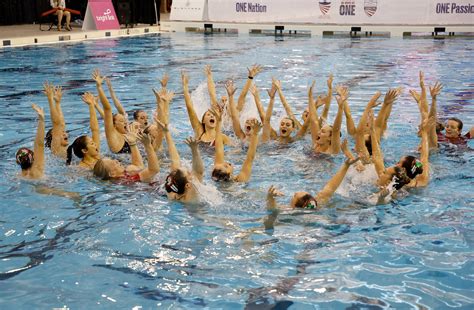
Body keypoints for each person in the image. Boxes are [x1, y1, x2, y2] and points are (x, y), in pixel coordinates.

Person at [266, 140, 359, 209]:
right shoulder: (317, 204)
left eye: (295, 196)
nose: (294, 193)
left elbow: (273, 209)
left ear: (295, 205)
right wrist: (346, 165)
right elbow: (330, 187)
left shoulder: (290, 211)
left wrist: (270, 197)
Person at [155, 89, 205, 203]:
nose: (189, 170)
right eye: (188, 172)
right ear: (188, 185)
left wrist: (167, 133)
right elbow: (199, 172)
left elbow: (175, 159)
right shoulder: (191, 196)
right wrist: (194, 150)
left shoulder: (172, 189)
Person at [211, 104, 262, 182]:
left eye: (224, 164)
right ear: (230, 175)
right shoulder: (240, 180)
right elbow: (250, 158)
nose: (228, 163)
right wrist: (255, 134)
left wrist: (219, 122)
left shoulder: (218, 171)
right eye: (227, 166)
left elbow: (219, 149)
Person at [181, 69, 231, 146]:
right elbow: (190, 109)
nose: (211, 115)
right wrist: (185, 86)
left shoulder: (223, 137)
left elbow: (235, 151)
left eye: (213, 115)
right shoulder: (199, 133)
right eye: (208, 115)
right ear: (203, 121)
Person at [93, 132, 159, 183]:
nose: (116, 160)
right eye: (114, 163)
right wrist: (148, 145)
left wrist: (132, 143)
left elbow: (138, 165)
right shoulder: (129, 180)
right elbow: (154, 170)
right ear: (112, 174)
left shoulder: (124, 174)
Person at [258, 79, 309, 144]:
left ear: (293, 129)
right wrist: (271, 99)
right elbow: (266, 120)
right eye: (282, 124)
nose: (284, 126)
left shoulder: (294, 140)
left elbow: (305, 126)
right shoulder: (274, 137)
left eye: (287, 125)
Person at [93, 69, 131, 154]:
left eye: (124, 120)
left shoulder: (126, 132)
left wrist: (111, 90)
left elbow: (121, 111)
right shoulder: (113, 136)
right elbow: (107, 110)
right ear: (114, 125)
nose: (125, 122)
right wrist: (99, 87)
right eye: (121, 121)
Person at [307, 81, 345, 155]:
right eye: (321, 131)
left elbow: (336, 130)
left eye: (323, 132)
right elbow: (313, 121)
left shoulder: (333, 149)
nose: (318, 132)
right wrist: (310, 97)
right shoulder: (316, 143)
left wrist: (340, 108)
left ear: (330, 138)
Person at [66, 92, 101, 169]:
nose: (95, 144)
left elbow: (95, 130)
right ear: (85, 150)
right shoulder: (81, 168)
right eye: (92, 143)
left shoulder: (97, 156)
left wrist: (91, 105)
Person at [16, 104, 45, 179]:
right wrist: (41, 120)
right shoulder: (36, 171)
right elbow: (40, 144)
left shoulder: (16, 177)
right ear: (34, 158)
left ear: (17, 162)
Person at [43, 82, 69, 159]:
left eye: (64, 132)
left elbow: (61, 124)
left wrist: (57, 103)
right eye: (60, 133)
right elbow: (56, 123)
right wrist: (50, 100)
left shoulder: (65, 149)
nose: (64, 134)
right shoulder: (56, 148)